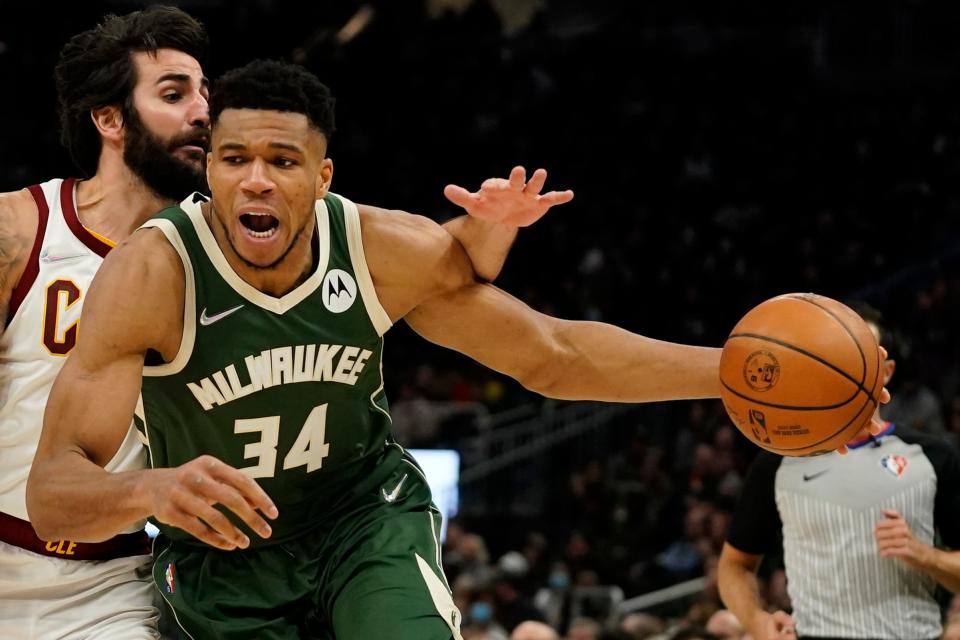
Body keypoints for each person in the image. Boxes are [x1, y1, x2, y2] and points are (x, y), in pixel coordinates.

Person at [21, 60, 844, 639]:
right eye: (234, 159)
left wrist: (730, 375)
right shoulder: (152, 274)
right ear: (214, 174)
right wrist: (154, 486)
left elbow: (551, 354)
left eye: (283, 161)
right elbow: (56, 491)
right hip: (223, 562)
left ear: (323, 176)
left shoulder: (382, 248)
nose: (256, 181)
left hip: (361, 521)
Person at [1, 8, 571, 639]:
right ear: (108, 119)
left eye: (205, 94)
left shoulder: (237, 235)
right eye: (174, 94)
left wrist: (487, 233)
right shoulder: (21, 230)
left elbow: (418, 260)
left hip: (119, 572)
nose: (202, 112)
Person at [717, 303, 960, 640]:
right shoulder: (777, 459)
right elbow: (734, 565)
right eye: (836, 354)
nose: (843, 365)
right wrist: (756, 621)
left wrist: (926, 556)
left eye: (860, 355)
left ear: (885, 372)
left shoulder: (934, 456)